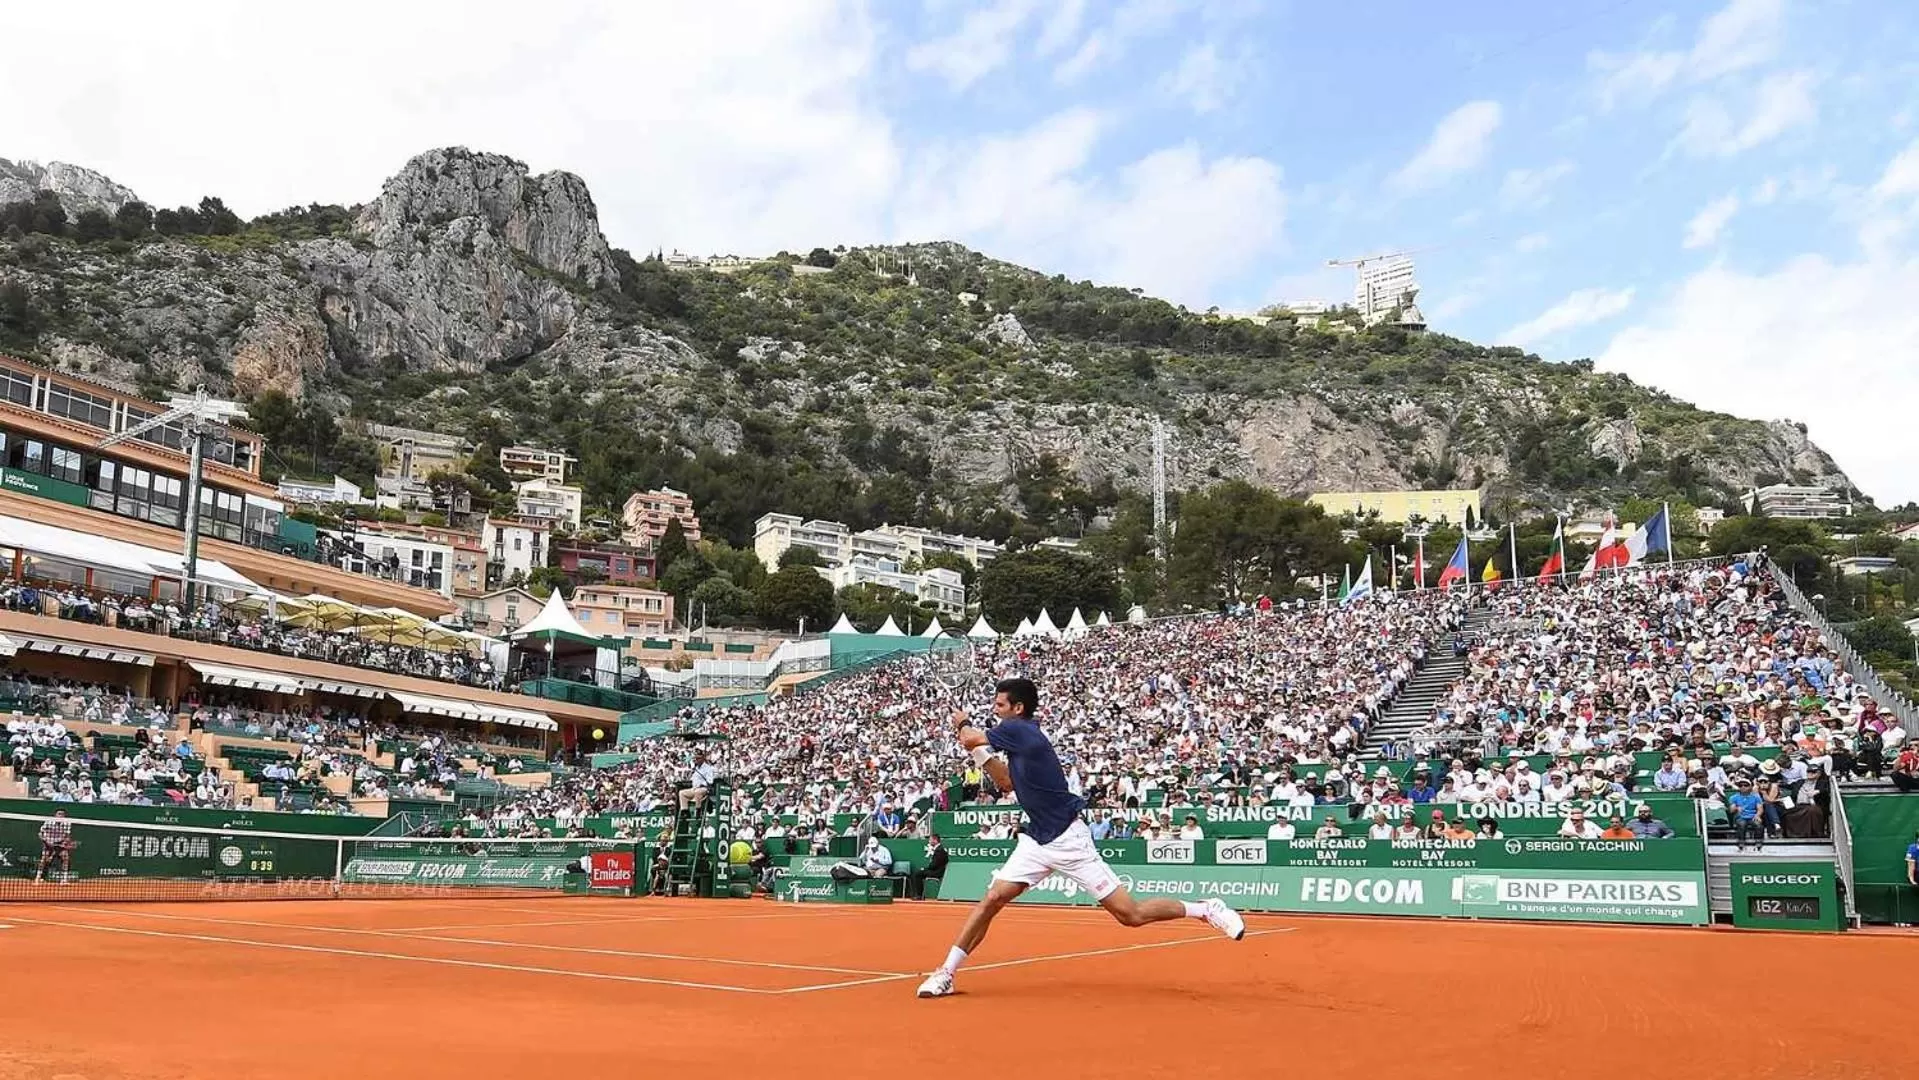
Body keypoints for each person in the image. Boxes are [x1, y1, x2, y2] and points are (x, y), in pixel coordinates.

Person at [916, 678, 1244, 999]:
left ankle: (1205, 909)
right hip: (1036, 840)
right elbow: (1005, 784)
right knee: (993, 899)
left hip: (1069, 839)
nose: (995, 708)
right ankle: (946, 971)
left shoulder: (1019, 729)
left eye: (1000, 704)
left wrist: (963, 724)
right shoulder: (1018, 741)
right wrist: (977, 751)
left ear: (1018, 708)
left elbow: (972, 737)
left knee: (1130, 915)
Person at [34, 809, 75, 884]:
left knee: (65, 857)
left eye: (62, 814)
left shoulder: (67, 823)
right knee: (44, 859)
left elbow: (67, 836)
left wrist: (64, 842)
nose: (61, 816)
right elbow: (40, 834)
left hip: (59, 843)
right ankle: (38, 878)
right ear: (55, 815)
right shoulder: (49, 822)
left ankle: (64, 880)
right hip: (48, 842)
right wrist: (46, 841)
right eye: (59, 814)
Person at [911, 834, 949, 900]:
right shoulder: (939, 849)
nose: (929, 841)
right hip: (936, 870)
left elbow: (934, 865)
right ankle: (919, 895)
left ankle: (919, 895)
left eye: (930, 840)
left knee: (918, 874)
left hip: (937, 872)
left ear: (935, 840)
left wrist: (925, 869)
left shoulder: (939, 850)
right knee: (919, 873)